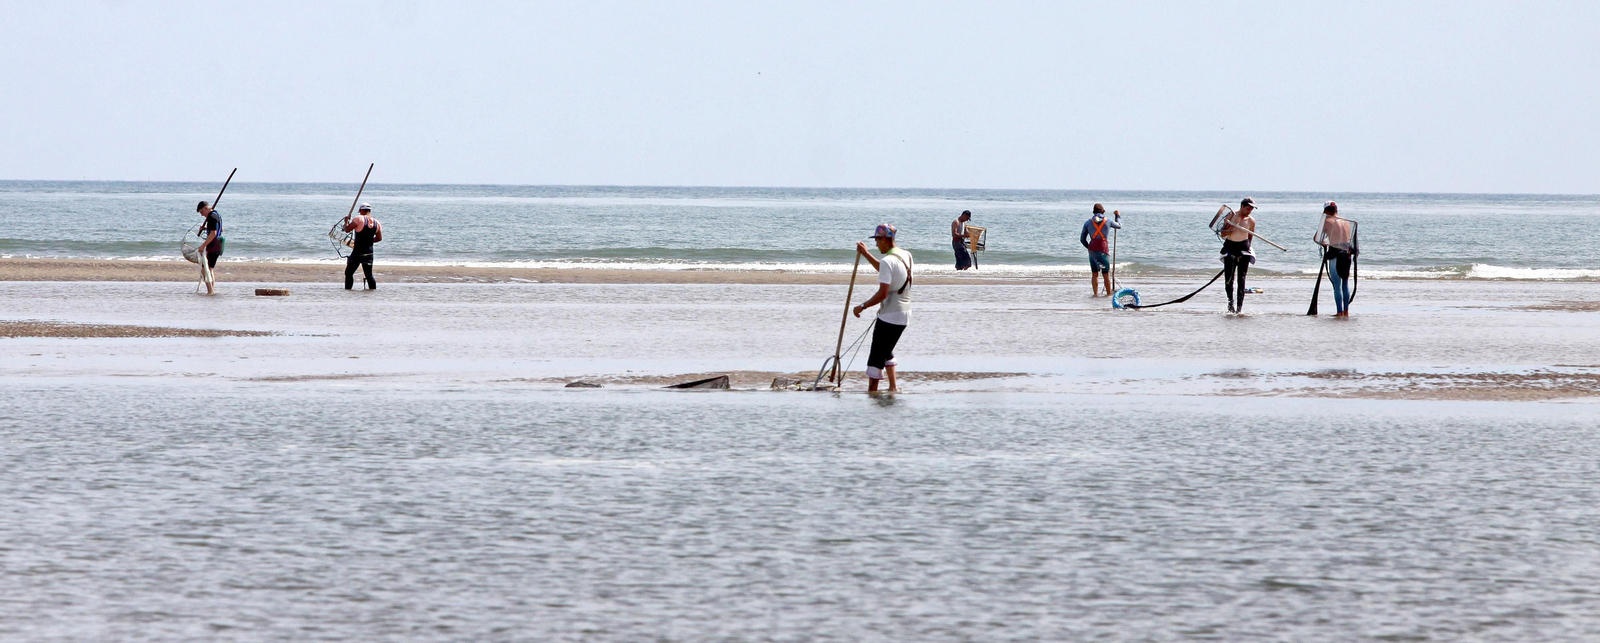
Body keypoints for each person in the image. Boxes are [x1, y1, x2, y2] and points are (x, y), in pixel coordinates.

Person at [852, 223, 913, 393]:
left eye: (877, 240)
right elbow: (886, 271)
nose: (876, 244)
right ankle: (893, 387)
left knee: (876, 356)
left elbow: (883, 293)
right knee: (886, 350)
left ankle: (872, 393)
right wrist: (865, 254)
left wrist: (862, 306)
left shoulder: (888, 261)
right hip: (905, 313)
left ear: (884, 239)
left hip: (890, 315)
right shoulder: (906, 255)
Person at [1314, 200, 1357, 317]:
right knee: (1345, 285)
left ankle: (1339, 312)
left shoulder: (1327, 221)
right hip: (1347, 255)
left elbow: (1317, 238)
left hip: (1336, 256)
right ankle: (1346, 312)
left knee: (1337, 286)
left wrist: (1324, 243)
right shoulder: (1346, 222)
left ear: (1326, 211)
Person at [1219, 197, 1259, 313]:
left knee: (1241, 280)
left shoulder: (1251, 221)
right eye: (1247, 208)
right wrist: (1231, 227)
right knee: (1229, 280)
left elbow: (1250, 235)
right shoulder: (1231, 216)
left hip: (1243, 249)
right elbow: (1222, 235)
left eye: (1251, 209)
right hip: (1230, 248)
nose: (1249, 211)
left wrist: (1247, 247)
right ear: (1242, 206)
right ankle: (1230, 305)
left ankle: (1239, 309)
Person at [1079, 204, 1121, 296]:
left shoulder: (1087, 223)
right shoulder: (1108, 221)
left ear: (1093, 212)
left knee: (1095, 274)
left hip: (1092, 251)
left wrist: (1089, 248)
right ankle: (1108, 294)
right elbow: (1119, 225)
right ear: (1103, 212)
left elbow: (1082, 239)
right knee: (1106, 274)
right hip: (1103, 250)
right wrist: (1117, 216)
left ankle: (1095, 294)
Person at [343, 203, 383, 290]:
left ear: (362, 210)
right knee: (369, 275)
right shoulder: (377, 222)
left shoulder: (358, 218)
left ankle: (348, 292)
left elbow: (347, 229)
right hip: (369, 253)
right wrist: (368, 241)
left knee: (349, 273)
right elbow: (379, 238)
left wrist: (346, 221)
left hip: (358, 253)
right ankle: (373, 293)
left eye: (360, 211)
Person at [195, 200, 224, 295]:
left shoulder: (211, 217)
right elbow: (220, 229)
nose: (202, 215)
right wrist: (205, 228)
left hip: (213, 245)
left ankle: (210, 291)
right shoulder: (216, 215)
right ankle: (212, 290)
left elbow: (213, 233)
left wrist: (203, 246)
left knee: (205, 268)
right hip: (219, 244)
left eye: (202, 212)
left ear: (206, 208)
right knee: (210, 268)